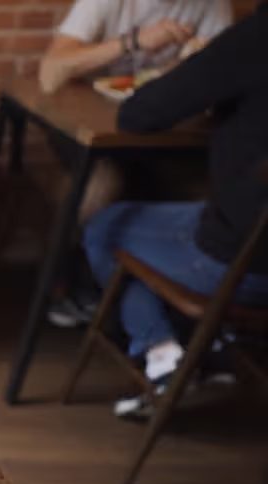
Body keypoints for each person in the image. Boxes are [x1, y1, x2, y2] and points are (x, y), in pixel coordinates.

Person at [82, 1, 268, 419]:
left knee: (106, 226)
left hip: (244, 263)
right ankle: (209, 348)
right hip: (246, 240)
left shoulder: (255, 38)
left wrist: (205, 71)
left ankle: (165, 357)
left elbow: (139, 114)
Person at [39, 0, 233, 94]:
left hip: (156, 122)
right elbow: (50, 72)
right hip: (90, 119)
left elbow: (223, 80)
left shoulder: (213, 3)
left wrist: (193, 62)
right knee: (106, 174)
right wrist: (133, 42)